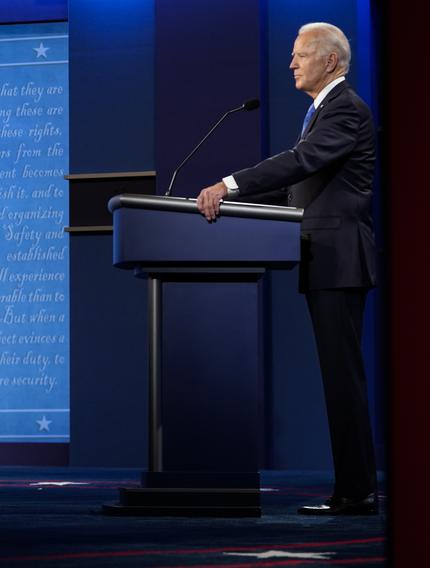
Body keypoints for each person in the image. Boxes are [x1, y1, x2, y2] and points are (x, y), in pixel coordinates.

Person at [196, 23, 378, 515]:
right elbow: (298, 186)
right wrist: (232, 203)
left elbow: (301, 162)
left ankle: (357, 491)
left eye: (300, 56)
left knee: (344, 381)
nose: (292, 64)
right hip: (325, 260)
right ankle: (355, 488)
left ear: (331, 63)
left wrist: (229, 185)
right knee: (338, 381)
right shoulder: (322, 111)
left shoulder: (345, 111)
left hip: (340, 260)